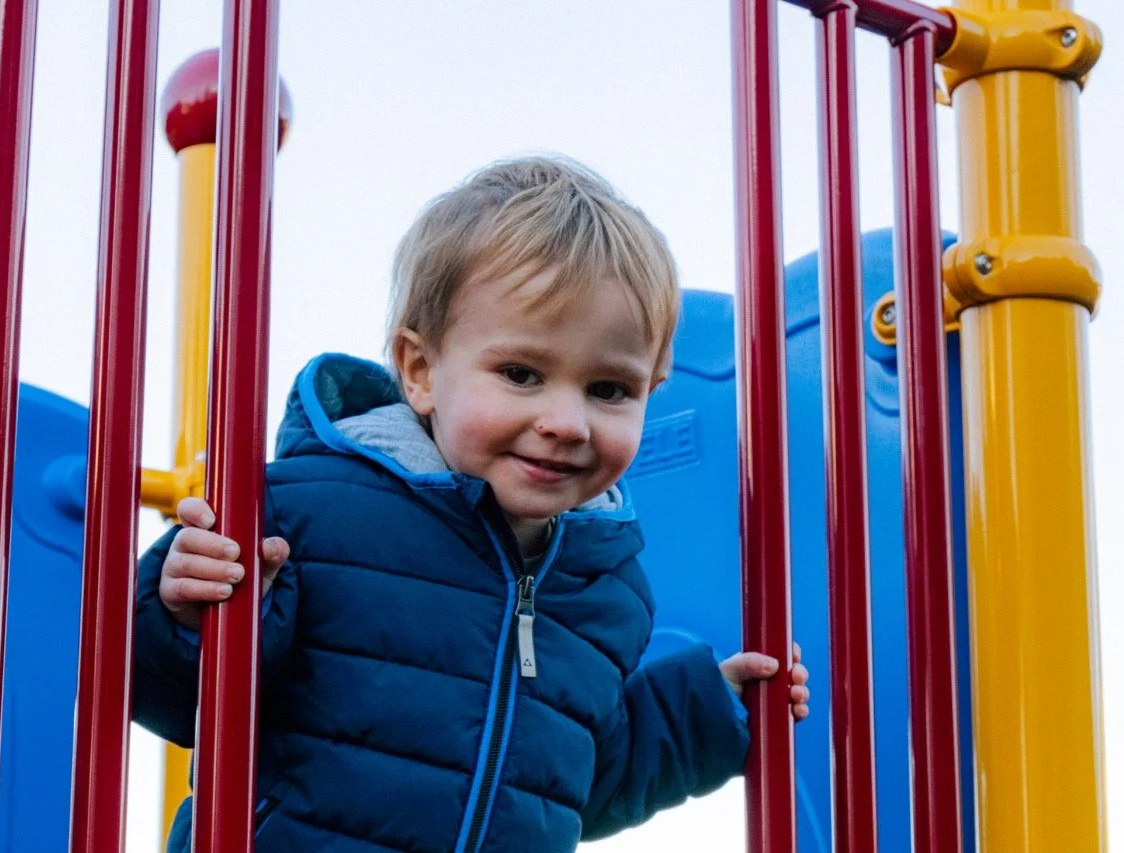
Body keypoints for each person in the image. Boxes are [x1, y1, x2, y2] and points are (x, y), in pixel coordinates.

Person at [132, 155, 809, 852]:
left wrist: (700, 713)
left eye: (609, 389)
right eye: (521, 374)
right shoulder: (305, 511)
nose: (568, 421)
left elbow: (567, 786)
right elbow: (172, 694)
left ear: (653, 388)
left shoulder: (608, 588)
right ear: (421, 371)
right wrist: (183, 612)